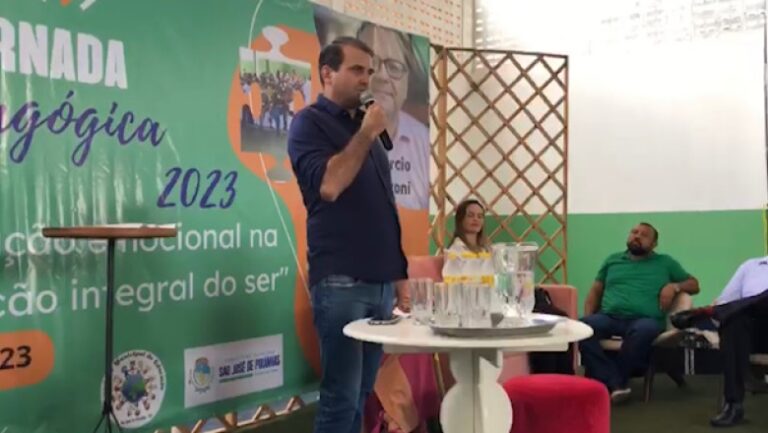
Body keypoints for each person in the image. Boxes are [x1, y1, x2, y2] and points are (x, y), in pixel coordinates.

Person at [287, 36, 408, 433]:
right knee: (341, 397)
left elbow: (385, 207)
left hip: (380, 283)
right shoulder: (310, 124)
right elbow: (330, 185)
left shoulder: (365, 128)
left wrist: (399, 274)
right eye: (356, 70)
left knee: (362, 393)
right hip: (341, 281)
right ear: (327, 73)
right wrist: (366, 135)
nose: (365, 79)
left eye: (368, 72)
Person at [579, 223, 699, 403]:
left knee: (645, 330)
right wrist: (589, 316)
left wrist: (674, 286)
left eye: (644, 235)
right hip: (609, 317)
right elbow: (595, 291)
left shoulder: (665, 263)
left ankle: (611, 381)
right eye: (634, 232)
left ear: (654, 244)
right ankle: (616, 382)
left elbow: (694, 285)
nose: (637, 236)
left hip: (644, 320)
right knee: (582, 328)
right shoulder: (612, 260)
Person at [357, 22, 430, 211]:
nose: (382, 76)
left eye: (394, 67)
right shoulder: (334, 130)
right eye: (372, 63)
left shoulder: (423, 140)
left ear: (407, 82)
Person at [704, 257, 768, 427]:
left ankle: (699, 315)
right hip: (756, 335)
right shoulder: (752, 266)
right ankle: (734, 405)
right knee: (734, 320)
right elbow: (726, 302)